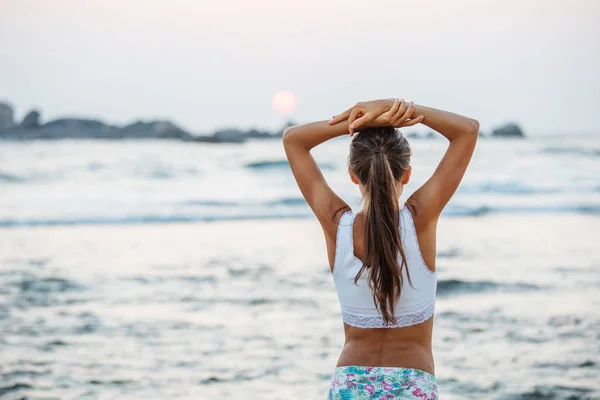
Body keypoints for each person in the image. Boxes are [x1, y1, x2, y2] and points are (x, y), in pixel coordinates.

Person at [282, 98, 479, 399]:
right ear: (407, 174)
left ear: (352, 175)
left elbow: (293, 140)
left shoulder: (339, 227)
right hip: (412, 386)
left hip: (350, 384)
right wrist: (397, 108)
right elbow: (467, 130)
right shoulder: (420, 219)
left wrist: (356, 121)